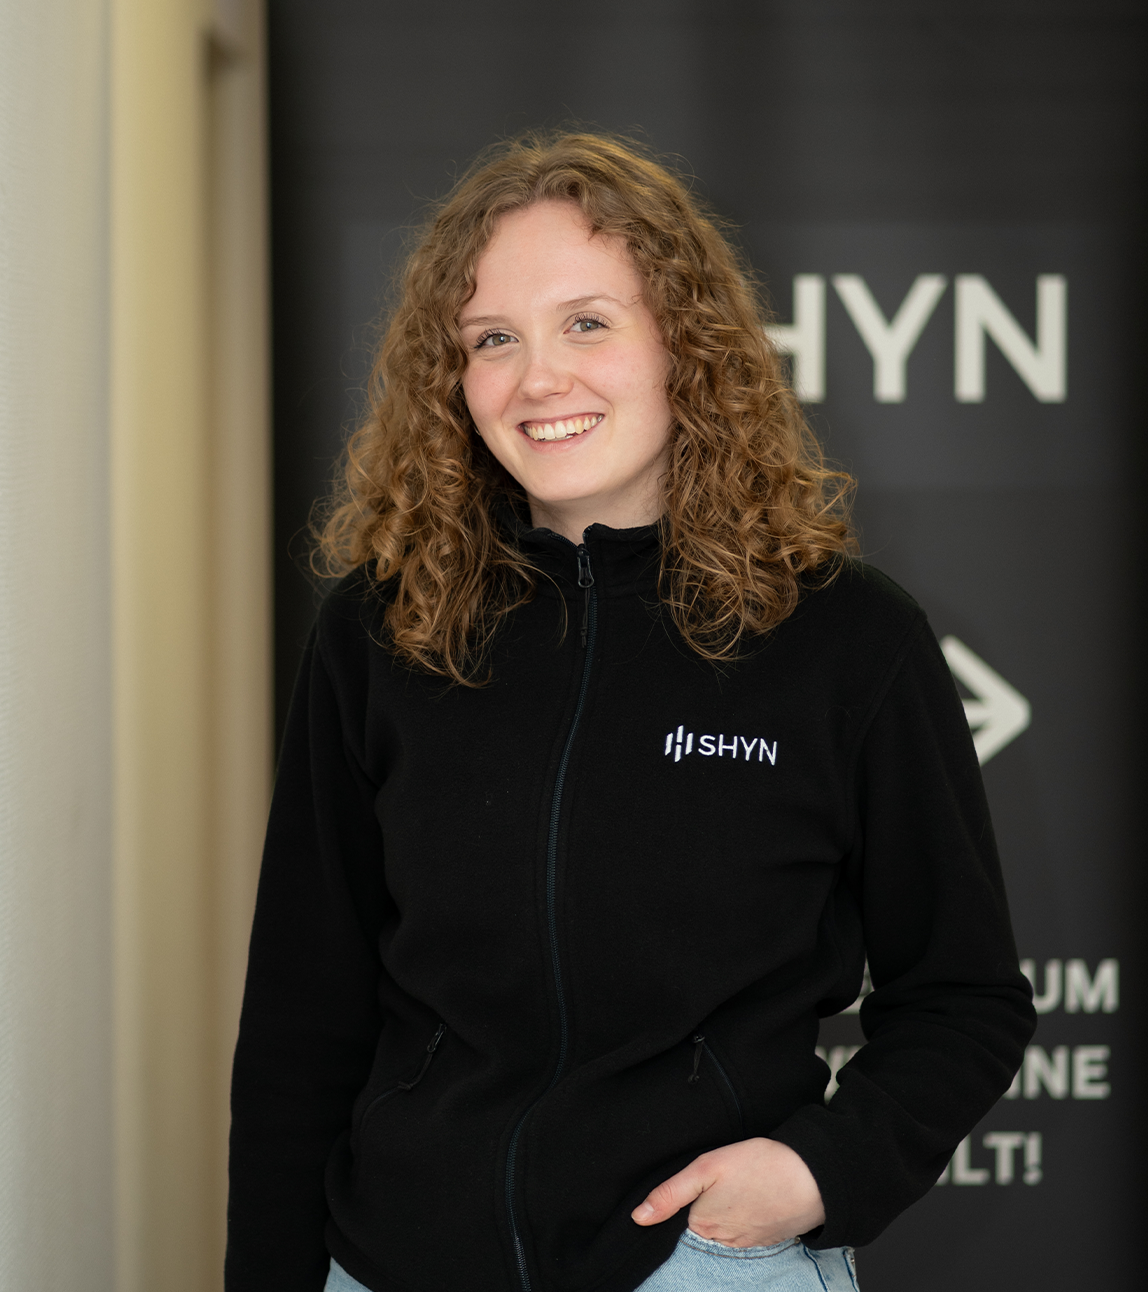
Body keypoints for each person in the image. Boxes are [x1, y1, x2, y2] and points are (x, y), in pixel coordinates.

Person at [226, 133, 1035, 1292]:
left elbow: (963, 998)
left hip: (703, 1267)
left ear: (685, 347)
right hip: (393, 1262)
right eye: (492, 340)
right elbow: (301, 1018)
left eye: (587, 323)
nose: (536, 378)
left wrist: (811, 1174)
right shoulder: (381, 628)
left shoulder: (845, 638)